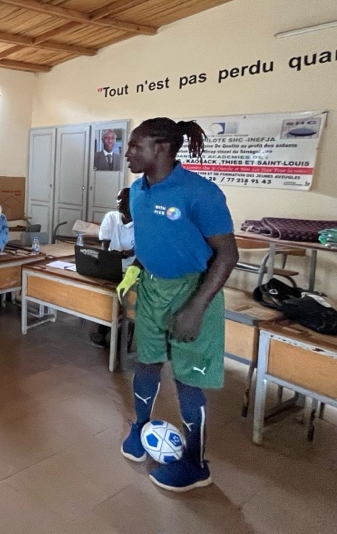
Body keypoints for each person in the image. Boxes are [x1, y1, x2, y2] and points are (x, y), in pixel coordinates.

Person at [119, 118, 238, 492]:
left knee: (187, 380)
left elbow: (227, 255)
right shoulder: (137, 192)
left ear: (163, 149)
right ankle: (140, 426)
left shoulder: (200, 193)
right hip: (152, 289)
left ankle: (196, 463)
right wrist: (133, 274)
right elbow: (152, 241)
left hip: (193, 291)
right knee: (147, 361)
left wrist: (196, 307)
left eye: (136, 146)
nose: (128, 152)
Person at [90, 188, 135, 348]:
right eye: (117, 199)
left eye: (123, 200)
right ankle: (102, 329)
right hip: (113, 266)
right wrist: (111, 257)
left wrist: (129, 252)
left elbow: (143, 249)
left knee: (129, 299)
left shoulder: (141, 221)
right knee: (107, 293)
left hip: (133, 269)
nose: (118, 203)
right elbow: (105, 246)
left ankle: (126, 334)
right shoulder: (111, 217)